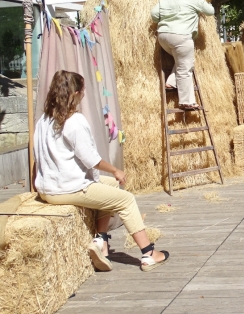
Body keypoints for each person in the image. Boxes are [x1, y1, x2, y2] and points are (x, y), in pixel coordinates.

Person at [34, 70, 169, 272]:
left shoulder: (43, 120)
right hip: (67, 189)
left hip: (48, 188)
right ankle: (148, 253)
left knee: (112, 187)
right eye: (83, 91)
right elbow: (91, 160)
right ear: (76, 93)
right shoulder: (74, 121)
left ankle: (101, 241)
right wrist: (116, 170)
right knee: (126, 199)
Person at [150, 0, 214, 110]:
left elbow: (154, 16)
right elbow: (210, 12)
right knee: (185, 69)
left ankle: (171, 82)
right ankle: (186, 101)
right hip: (182, 37)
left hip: (163, 37)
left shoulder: (165, 0)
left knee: (181, 61)